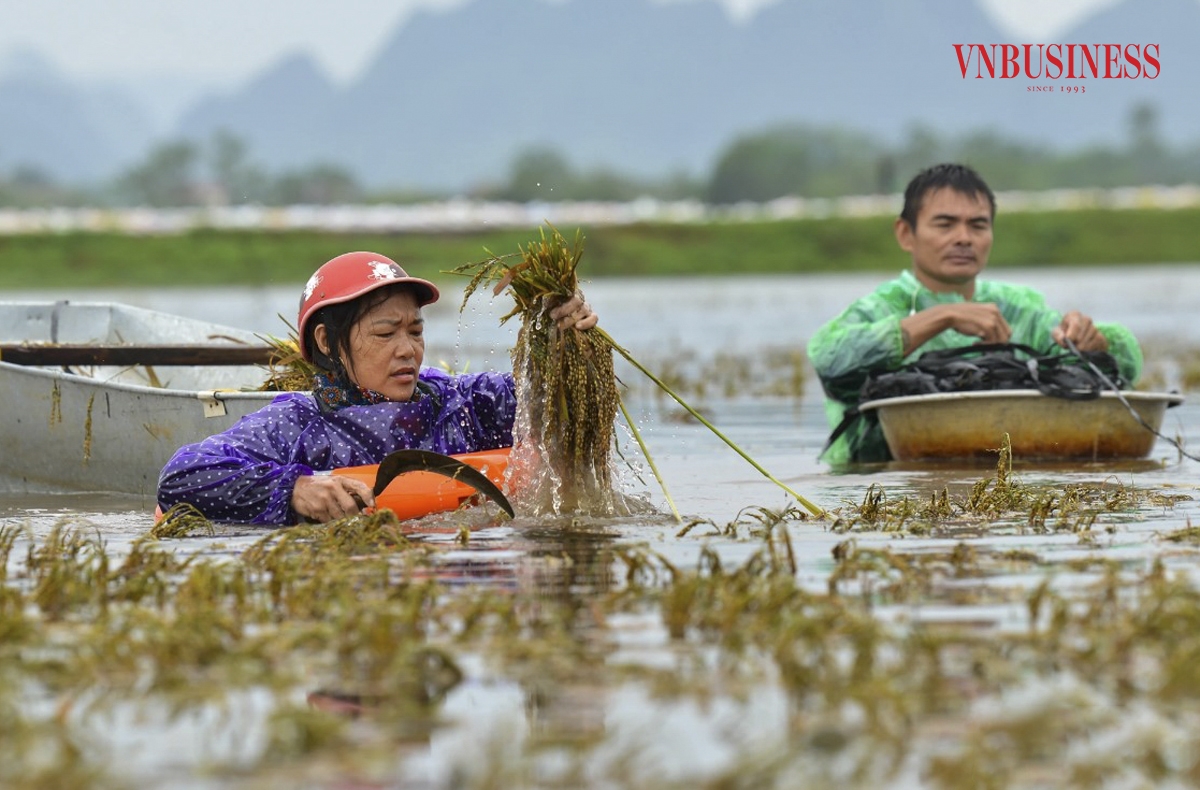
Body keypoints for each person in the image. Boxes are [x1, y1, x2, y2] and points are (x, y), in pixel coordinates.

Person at [157, 251, 598, 525]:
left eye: (416, 331)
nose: (407, 350)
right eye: (386, 334)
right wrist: (294, 489)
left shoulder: (458, 405)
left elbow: (559, 404)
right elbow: (181, 476)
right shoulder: (298, 424)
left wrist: (564, 341)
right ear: (328, 342)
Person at [807, 163, 1143, 465]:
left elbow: (1125, 366)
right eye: (945, 224)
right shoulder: (881, 308)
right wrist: (944, 315)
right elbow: (827, 357)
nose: (964, 238)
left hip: (1008, 469)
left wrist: (1095, 341)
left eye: (978, 225)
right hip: (878, 483)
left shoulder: (1017, 308)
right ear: (906, 234)